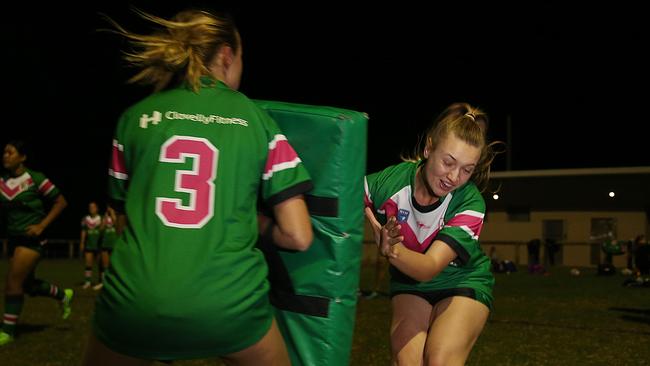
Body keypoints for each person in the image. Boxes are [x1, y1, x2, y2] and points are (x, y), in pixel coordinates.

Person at [82, 8, 313, 366]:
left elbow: (125, 218)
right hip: (229, 305)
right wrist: (250, 220)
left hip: (135, 303)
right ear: (226, 54)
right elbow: (298, 236)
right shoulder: (256, 120)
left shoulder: (133, 118)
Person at [364, 102, 499, 365]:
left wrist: (392, 249)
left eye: (467, 169)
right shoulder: (388, 183)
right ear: (428, 148)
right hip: (409, 284)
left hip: (462, 280)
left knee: (439, 360)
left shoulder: (470, 203)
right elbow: (338, 194)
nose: (453, 177)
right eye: (448, 162)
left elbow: (428, 268)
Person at [0, 140, 73, 346]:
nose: (5, 155)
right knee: (28, 285)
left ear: (22, 157)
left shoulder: (35, 178)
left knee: (13, 283)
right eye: (4, 152)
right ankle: (63, 295)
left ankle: (8, 331)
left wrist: (41, 225)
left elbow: (61, 202)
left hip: (32, 240)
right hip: (14, 240)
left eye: (10, 152)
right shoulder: (3, 181)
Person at [93, 205, 118, 290]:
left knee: (114, 265)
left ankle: (114, 284)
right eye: (108, 206)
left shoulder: (118, 216)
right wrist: (105, 218)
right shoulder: (104, 217)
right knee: (104, 265)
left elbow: (117, 226)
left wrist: (112, 214)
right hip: (105, 243)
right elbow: (101, 229)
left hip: (114, 244)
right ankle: (104, 283)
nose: (109, 208)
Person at [80, 201, 102, 289]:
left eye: (93, 207)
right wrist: (82, 242)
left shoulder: (101, 218)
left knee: (100, 264)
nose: (91, 209)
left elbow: (103, 230)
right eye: (90, 207)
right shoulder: (85, 218)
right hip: (89, 244)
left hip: (99, 245)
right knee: (88, 264)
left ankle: (101, 281)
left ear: (97, 208)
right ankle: (88, 282)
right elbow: (83, 231)